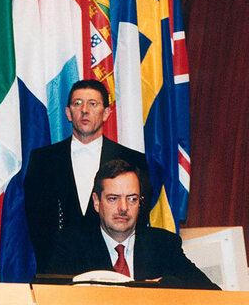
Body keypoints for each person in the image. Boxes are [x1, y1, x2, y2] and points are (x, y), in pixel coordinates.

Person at [24, 79, 153, 273]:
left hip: (112, 272)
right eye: (77, 103)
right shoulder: (42, 159)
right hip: (57, 270)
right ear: (68, 113)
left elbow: (138, 217)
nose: (84, 110)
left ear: (106, 113)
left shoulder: (133, 160)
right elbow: (36, 221)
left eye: (93, 104)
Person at [45, 159, 219, 290]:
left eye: (132, 199)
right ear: (97, 202)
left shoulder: (163, 245)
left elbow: (211, 293)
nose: (123, 208)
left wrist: (166, 286)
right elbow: (48, 297)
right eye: (113, 199)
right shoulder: (71, 245)